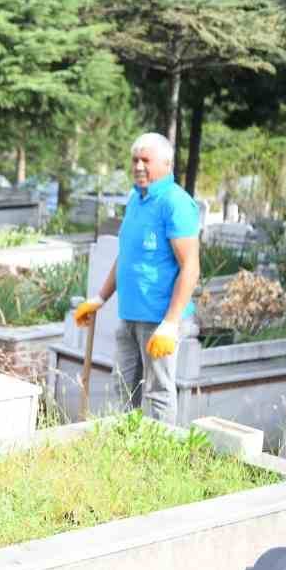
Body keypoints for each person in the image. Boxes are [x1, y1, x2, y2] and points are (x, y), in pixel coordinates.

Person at [72, 132, 200, 424]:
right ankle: (127, 447)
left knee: (158, 392)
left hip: (159, 319)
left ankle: (159, 454)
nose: (139, 166)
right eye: (135, 160)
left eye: (146, 160)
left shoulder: (175, 202)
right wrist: (99, 298)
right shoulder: (136, 199)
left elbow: (190, 267)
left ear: (166, 163)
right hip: (129, 315)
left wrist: (171, 322)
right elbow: (126, 255)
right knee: (123, 387)